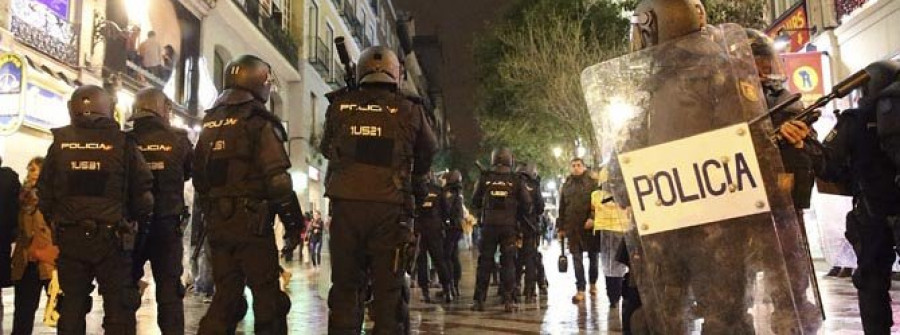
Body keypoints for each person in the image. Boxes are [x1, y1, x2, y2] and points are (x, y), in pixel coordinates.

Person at [320, 45, 437, 334]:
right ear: (396, 74)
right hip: (391, 210)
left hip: (346, 209)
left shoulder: (340, 105)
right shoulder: (410, 109)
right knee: (389, 295)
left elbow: (326, 149)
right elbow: (429, 149)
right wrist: (414, 177)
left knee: (346, 290)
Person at [781, 59, 900, 334]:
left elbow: (828, 165)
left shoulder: (853, 122)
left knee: (871, 283)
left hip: (871, 213)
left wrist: (801, 144)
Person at [193, 54, 304, 334]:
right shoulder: (259, 121)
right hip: (252, 226)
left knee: (225, 299)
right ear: (259, 82)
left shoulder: (209, 124)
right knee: (267, 302)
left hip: (219, 225)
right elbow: (278, 181)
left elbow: (199, 179)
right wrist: (294, 224)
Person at [37, 84, 154, 334]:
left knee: (71, 308)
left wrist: (60, 223)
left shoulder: (60, 144)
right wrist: (132, 224)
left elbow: (44, 193)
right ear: (108, 109)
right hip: (113, 238)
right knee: (119, 310)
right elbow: (143, 194)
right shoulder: (123, 143)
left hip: (70, 239)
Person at [746, 28, 823, 333]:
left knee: (791, 286)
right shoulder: (722, 101)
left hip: (784, 205)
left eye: (766, 60)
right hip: (740, 207)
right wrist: (770, 138)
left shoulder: (788, 99)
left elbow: (818, 154)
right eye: (756, 61)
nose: (764, 68)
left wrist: (801, 140)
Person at [128, 87, 194, 334]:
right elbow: (189, 172)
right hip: (167, 224)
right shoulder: (179, 139)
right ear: (162, 108)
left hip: (132, 226)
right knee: (169, 292)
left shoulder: (127, 139)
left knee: (125, 289)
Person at [471, 148, 532, 312]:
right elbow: (527, 204)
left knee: (484, 263)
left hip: (489, 227)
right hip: (509, 227)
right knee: (509, 264)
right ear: (509, 160)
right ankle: (508, 301)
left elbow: (475, 200)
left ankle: (479, 300)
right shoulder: (516, 179)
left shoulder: (485, 178)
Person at [10, 157, 58, 334]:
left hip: (49, 260)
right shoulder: (21, 198)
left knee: (61, 311)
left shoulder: (53, 198)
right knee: (23, 314)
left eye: (34, 169)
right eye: (29, 169)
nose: (30, 173)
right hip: (26, 261)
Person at [557, 157, 598, 303]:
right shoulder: (567, 184)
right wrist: (560, 227)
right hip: (572, 228)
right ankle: (580, 288)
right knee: (576, 258)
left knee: (593, 257)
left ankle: (593, 283)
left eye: (578, 165)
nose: (575, 168)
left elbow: (597, 202)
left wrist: (593, 218)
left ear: (584, 167)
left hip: (589, 227)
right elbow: (562, 207)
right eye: (573, 165)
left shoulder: (593, 182)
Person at [590, 168, 628, 311]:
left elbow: (593, 208)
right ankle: (616, 295)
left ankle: (613, 297)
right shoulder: (624, 195)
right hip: (619, 230)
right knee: (618, 265)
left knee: (610, 266)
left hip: (606, 231)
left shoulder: (596, 195)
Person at [415, 173, 454, 303]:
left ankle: (425, 292)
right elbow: (446, 210)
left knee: (422, 261)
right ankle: (447, 290)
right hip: (435, 229)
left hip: (419, 229)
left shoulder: (414, 190)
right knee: (439, 260)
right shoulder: (438, 190)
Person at [515, 162, 545, 303]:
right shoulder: (534, 185)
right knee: (530, 259)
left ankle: (513, 287)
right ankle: (529, 291)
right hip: (531, 227)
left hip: (514, 226)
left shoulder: (513, 183)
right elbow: (540, 207)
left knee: (514, 259)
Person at [442, 169, 465, 297]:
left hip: (451, 227)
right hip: (457, 226)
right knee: (454, 256)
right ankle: (455, 284)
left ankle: (450, 284)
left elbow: (447, 207)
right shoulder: (459, 191)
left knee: (447, 257)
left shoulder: (450, 192)